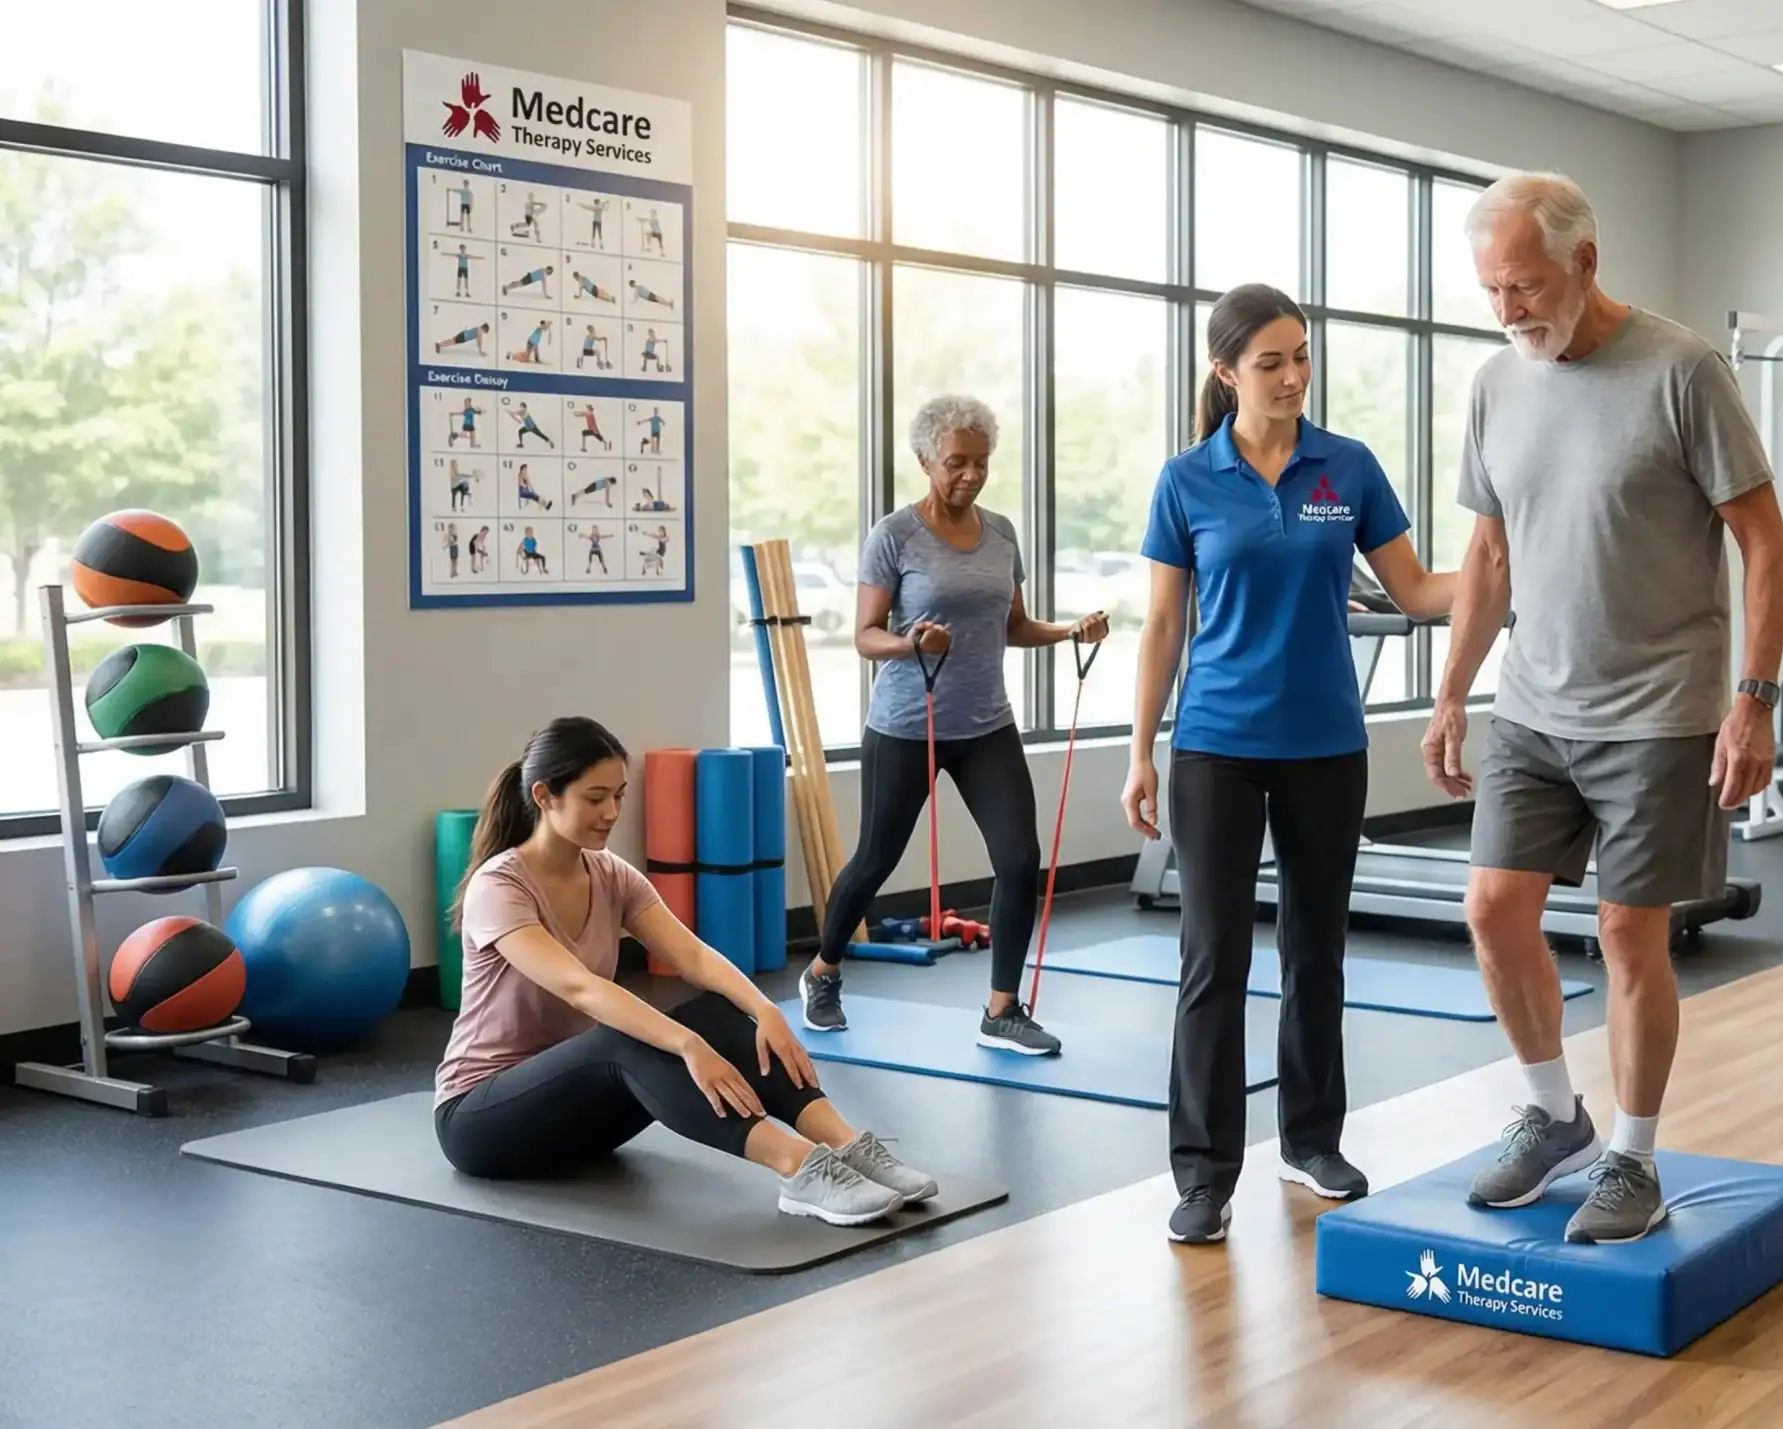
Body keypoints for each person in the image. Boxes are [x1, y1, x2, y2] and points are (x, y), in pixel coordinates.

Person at [1423, 173, 1783, 1246]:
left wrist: (1754, 701)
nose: (1509, 309)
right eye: (1492, 290)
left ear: (1586, 262)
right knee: (1493, 909)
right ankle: (1553, 1115)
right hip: (1535, 703)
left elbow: (1763, 541)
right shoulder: (1497, 383)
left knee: (1630, 933)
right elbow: (1487, 552)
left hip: (1660, 707)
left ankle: (1632, 1157)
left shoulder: (1683, 370)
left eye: (1526, 285)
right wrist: (1453, 694)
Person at [1126, 283, 1456, 1246]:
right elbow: (1162, 624)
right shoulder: (1186, 480)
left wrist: (1504, 552)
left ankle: (1311, 1139)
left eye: (1302, 356)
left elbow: (1417, 587)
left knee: (1318, 953)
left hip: (1325, 747)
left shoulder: (1345, 469)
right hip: (1215, 748)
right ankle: (1201, 1173)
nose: (1293, 376)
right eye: (1271, 361)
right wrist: (1141, 750)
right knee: (1213, 961)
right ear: (1226, 372)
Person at [437, 717, 937, 1225]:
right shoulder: (500, 886)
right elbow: (581, 989)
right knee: (630, 1035)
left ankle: (848, 1146)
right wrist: (687, 1045)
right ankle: (801, 1170)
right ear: (544, 796)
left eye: (619, 796)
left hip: (575, 1113)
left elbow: (694, 956)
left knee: (716, 1015)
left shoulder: (610, 874)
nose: (611, 812)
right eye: (595, 798)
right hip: (482, 1121)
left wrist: (765, 1010)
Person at [799, 395, 1110, 1058]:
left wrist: (1071, 629)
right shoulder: (895, 537)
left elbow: (1015, 626)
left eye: (981, 461)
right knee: (875, 860)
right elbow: (863, 636)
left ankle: (1001, 1009)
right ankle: (823, 972)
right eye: (955, 461)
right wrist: (913, 641)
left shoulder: (1001, 533)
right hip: (908, 724)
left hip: (985, 723)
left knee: (1019, 858)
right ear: (925, 461)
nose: (970, 473)